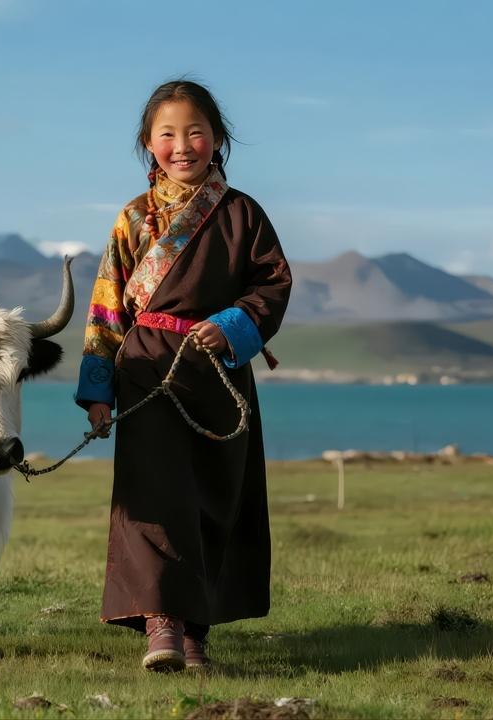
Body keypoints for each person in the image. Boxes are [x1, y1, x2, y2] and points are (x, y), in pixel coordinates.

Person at [75, 78, 292, 673]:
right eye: (167, 134)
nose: (181, 145)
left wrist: (234, 325)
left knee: (212, 500)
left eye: (195, 132)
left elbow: (273, 284)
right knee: (153, 498)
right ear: (148, 143)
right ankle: (162, 626)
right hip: (146, 371)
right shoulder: (133, 218)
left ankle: (196, 633)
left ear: (217, 138)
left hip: (217, 372)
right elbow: (106, 308)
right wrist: (97, 392)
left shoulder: (243, 214)